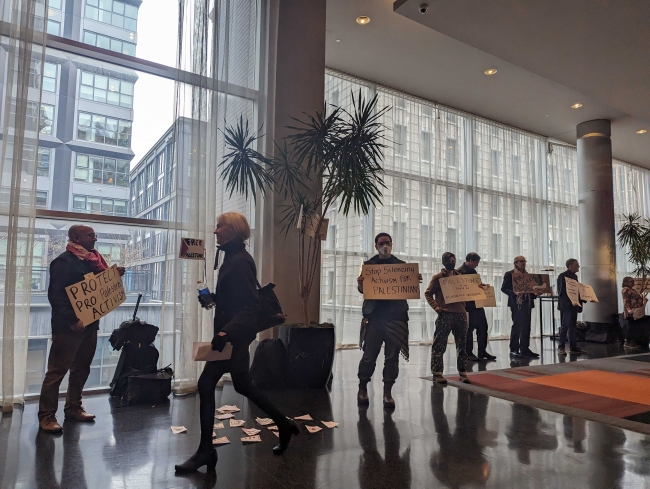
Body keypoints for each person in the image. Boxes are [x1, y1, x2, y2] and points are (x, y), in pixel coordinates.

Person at [175, 212, 299, 474]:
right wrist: (216, 299)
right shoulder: (233, 257)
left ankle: (206, 452)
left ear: (233, 230)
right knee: (243, 384)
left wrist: (224, 333)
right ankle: (283, 425)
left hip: (233, 338)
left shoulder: (239, 261)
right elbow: (238, 299)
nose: (215, 230)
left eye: (220, 226)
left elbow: (250, 307)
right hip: (236, 336)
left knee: (205, 384)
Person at [38, 225, 125, 433]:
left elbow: (98, 289)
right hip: (68, 328)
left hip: (90, 325)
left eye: (94, 235)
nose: (95, 238)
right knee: (57, 372)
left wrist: (114, 276)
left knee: (81, 369)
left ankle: (74, 408)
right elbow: (56, 297)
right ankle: (47, 416)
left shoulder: (93, 261)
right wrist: (71, 320)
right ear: (76, 237)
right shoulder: (62, 262)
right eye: (90, 235)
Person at [356, 232, 422, 408]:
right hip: (374, 317)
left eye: (388, 243)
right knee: (369, 356)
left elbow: (408, 287)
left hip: (396, 317)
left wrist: (414, 281)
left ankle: (388, 393)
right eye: (381, 243)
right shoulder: (368, 266)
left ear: (392, 244)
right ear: (376, 245)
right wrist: (361, 283)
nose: (385, 246)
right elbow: (363, 290)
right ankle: (362, 387)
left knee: (392, 358)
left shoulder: (401, 266)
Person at [424, 252, 470, 384]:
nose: (452, 262)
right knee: (439, 344)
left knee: (462, 345)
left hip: (460, 314)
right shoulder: (438, 277)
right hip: (445, 314)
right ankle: (437, 372)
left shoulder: (460, 277)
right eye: (450, 261)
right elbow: (428, 294)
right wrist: (437, 308)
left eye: (454, 260)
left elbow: (467, 292)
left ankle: (463, 372)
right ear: (444, 262)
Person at [458, 252, 497, 362]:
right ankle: (468, 353)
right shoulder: (460, 272)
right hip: (468, 305)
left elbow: (475, 286)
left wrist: (483, 287)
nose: (477, 265)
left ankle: (482, 351)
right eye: (476, 262)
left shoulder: (471, 271)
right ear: (470, 260)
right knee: (468, 330)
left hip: (477, 304)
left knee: (483, 328)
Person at [501, 255, 540, 359]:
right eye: (521, 261)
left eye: (524, 261)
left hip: (527, 303)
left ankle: (525, 349)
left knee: (526, 327)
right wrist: (514, 293)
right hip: (516, 303)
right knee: (517, 326)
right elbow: (504, 288)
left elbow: (530, 290)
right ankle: (514, 349)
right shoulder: (510, 274)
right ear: (515, 263)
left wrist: (536, 293)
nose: (523, 263)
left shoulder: (528, 275)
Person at [556, 258, 587, 355]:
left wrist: (584, 298)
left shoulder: (575, 277)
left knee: (573, 327)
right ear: (570, 266)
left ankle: (573, 347)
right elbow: (562, 293)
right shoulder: (562, 276)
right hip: (567, 306)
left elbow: (576, 291)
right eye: (576, 265)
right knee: (565, 326)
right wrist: (571, 302)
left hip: (574, 305)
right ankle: (561, 347)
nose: (578, 266)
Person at [622, 276, 649, 349]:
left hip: (636, 311)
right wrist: (629, 309)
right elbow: (626, 300)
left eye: (633, 281)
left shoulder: (632, 290)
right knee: (631, 327)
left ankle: (633, 341)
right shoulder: (626, 290)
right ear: (626, 282)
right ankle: (628, 342)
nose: (633, 282)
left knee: (634, 327)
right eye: (631, 281)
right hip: (631, 312)